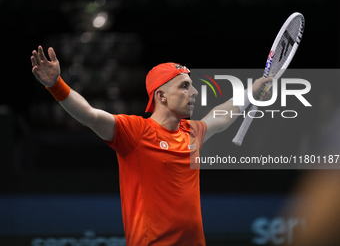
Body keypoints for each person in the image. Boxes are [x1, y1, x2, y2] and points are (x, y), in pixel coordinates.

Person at [31, 45, 271, 246]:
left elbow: (221, 114)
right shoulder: (135, 132)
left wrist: (253, 90)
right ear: (161, 96)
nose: (194, 92)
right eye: (184, 86)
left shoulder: (192, 132)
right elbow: (90, 115)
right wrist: (56, 85)